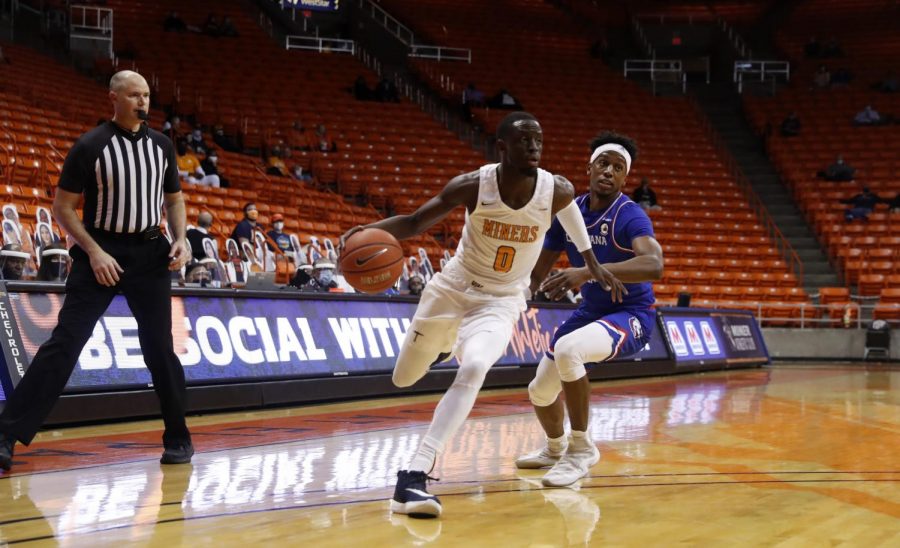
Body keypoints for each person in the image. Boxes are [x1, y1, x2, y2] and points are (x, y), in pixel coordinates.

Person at [341, 111, 624, 518]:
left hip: (502, 299)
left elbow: (571, 217)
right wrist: (362, 232)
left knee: (474, 367)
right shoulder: (474, 185)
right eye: (524, 140)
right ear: (502, 147)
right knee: (404, 378)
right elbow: (415, 221)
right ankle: (441, 345)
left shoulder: (556, 188)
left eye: (538, 140)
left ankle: (414, 477)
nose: (534, 147)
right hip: (452, 290)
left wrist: (592, 263)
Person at [0, 70, 193, 472]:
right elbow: (63, 208)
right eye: (134, 95)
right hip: (99, 252)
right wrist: (95, 251)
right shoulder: (90, 145)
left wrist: (182, 237)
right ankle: (6, 433)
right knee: (64, 344)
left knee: (160, 349)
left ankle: (178, 435)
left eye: (146, 95)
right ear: (114, 98)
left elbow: (174, 200)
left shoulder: (161, 146)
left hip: (149, 254)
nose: (143, 102)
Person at [515, 131, 663, 487]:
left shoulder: (630, 215)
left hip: (632, 313)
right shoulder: (570, 212)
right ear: (590, 168)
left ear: (625, 178)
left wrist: (585, 272)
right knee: (539, 390)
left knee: (569, 351)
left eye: (617, 167)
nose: (608, 172)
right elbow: (537, 271)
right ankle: (555, 447)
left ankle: (581, 450)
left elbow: (654, 264)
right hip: (592, 311)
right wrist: (511, 297)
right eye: (603, 164)